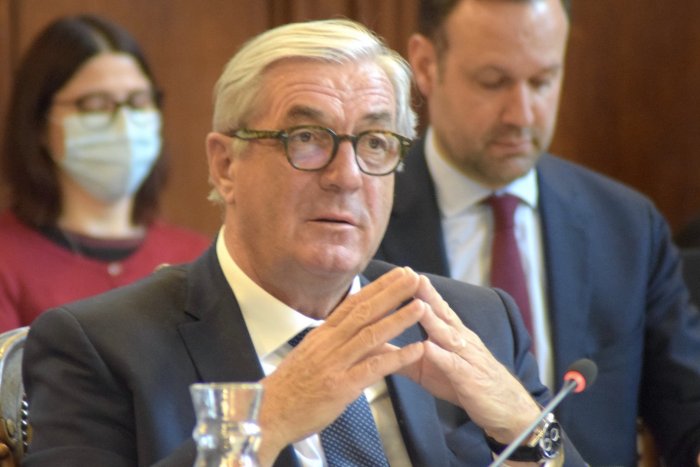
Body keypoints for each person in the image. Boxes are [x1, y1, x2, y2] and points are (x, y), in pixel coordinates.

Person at [22, 18, 588, 467]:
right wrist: (265, 424)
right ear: (225, 165)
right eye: (307, 138)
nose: (347, 176)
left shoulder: (476, 323)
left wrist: (528, 430)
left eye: (375, 142)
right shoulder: (100, 349)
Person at [375, 0, 700, 466]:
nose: (522, 114)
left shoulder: (627, 226)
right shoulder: (363, 221)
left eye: (542, 81)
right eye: (494, 82)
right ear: (426, 66)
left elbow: (688, 410)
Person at [0, 15, 211, 330]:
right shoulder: (7, 258)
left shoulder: (198, 259)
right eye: (96, 104)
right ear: (40, 123)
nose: (124, 124)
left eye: (138, 102)